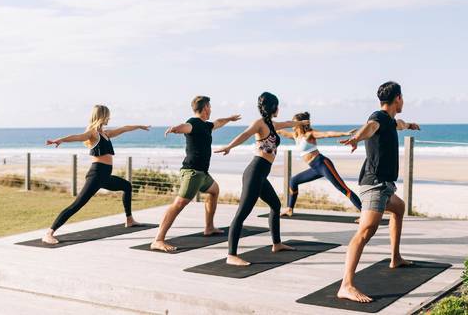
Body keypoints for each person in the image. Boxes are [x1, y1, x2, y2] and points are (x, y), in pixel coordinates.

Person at [336, 81, 420, 303]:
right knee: (366, 231)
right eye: (403, 99)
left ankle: (395, 258)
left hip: (385, 185)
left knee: (399, 208)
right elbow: (370, 127)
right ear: (398, 98)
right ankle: (346, 285)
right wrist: (356, 138)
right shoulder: (379, 118)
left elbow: (398, 124)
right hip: (374, 185)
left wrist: (410, 125)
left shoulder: (391, 121)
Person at [214, 92, 309, 266]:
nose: (279, 109)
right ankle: (231, 255)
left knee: (275, 205)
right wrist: (229, 147)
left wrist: (300, 123)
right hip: (254, 172)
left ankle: (277, 244)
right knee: (242, 213)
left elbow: (288, 123)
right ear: (273, 107)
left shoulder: (271, 124)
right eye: (278, 106)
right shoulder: (259, 124)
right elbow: (244, 134)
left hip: (261, 175)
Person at [41, 105, 150, 245]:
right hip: (96, 175)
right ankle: (49, 233)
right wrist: (60, 140)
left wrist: (139, 126)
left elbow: (124, 128)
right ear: (102, 116)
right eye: (108, 116)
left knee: (127, 186)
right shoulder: (93, 133)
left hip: (105, 176)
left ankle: (129, 220)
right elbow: (77, 137)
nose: (109, 118)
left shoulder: (106, 134)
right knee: (77, 205)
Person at [150, 96, 241, 252]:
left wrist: (230, 119)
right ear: (205, 107)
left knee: (214, 191)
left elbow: (218, 122)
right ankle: (158, 240)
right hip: (192, 173)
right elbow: (185, 127)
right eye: (210, 107)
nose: (211, 109)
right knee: (179, 204)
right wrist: (175, 128)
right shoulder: (194, 123)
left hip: (202, 174)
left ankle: (209, 227)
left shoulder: (206, 125)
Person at [275, 112, 361, 215]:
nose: (292, 124)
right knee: (293, 181)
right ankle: (290, 209)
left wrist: (345, 133)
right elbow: (280, 131)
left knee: (343, 189)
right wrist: (268, 124)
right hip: (314, 168)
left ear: (300, 123)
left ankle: (364, 214)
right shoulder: (295, 136)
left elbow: (327, 134)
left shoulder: (309, 134)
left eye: (294, 122)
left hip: (323, 164)